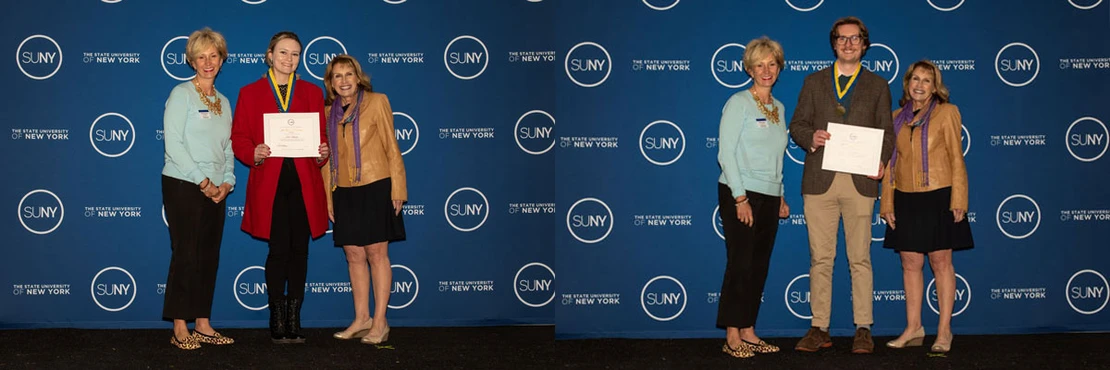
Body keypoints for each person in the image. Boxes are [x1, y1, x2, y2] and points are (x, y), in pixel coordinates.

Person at [789, 16, 894, 354]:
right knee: (821, 258)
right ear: (834, 43)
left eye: (855, 38)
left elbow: (887, 134)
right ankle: (819, 326)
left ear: (865, 44)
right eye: (842, 38)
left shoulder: (878, 85)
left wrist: (881, 160)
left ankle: (863, 328)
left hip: (861, 183)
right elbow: (797, 125)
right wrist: (811, 137)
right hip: (820, 181)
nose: (848, 44)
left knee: (860, 258)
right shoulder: (814, 82)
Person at [231, 31, 330, 344]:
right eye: (283, 53)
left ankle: (294, 316)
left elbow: (321, 138)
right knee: (278, 250)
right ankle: (276, 316)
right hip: (270, 184)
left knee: (300, 251)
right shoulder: (251, 92)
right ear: (270, 55)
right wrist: (253, 153)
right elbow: (239, 138)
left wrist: (322, 152)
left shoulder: (313, 92)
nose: (289, 59)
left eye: (295, 54)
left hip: (304, 184)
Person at [880, 60, 972, 353]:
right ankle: (914, 327)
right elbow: (890, 165)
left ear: (935, 87)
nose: (919, 85)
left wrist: (959, 199)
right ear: (907, 83)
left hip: (939, 195)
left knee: (941, 262)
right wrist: (887, 201)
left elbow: (957, 158)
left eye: (926, 81)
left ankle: (944, 331)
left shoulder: (947, 113)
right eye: (915, 79)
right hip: (905, 197)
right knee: (909, 263)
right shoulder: (896, 117)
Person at [321, 55, 407, 345]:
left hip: (376, 185)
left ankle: (380, 322)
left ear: (358, 78)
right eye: (337, 76)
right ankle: (362, 318)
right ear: (330, 83)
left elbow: (392, 146)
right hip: (343, 190)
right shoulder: (327, 112)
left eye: (349, 74)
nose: (344, 80)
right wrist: (328, 197)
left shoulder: (377, 101)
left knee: (376, 254)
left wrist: (399, 188)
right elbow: (327, 160)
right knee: (354, 256)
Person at [161, 27, 236, 350]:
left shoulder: (223, 101)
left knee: (208, 255)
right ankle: (180, 325)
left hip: (217, 188)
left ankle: (203, 323)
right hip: (183, 183)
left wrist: (228, 181)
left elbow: (228, 146)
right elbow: (174, 144)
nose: (208, 62)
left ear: (222, 59)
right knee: (186, 254)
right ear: (191, 61)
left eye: (214, 56)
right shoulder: (182, 94)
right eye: (201, 56)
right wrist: (203, 182)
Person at [716, 37, 790, 359]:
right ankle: (732, 335)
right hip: (741, 193)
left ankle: (749, 330)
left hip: (771, 195)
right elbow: (725, 154)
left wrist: (782, 195)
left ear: (779, 68)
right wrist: (739, 197)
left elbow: (778, 157)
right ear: (748, 69)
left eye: (771, 64)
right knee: (741, 264)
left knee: (759, 266)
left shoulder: (779, 108)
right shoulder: (738, 103)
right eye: (759, 64)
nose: (766, 70)